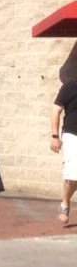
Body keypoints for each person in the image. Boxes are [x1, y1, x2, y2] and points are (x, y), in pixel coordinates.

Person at [51, 75, 77, 225]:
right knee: (72, 175)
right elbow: (55, 110)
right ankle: (65, 205)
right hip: (72, 134)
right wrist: (55, 136)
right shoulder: (70, 87)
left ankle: (64, 202)